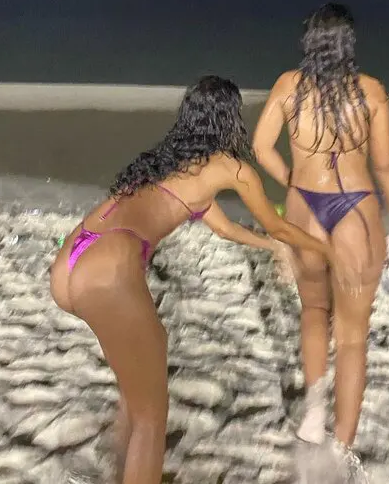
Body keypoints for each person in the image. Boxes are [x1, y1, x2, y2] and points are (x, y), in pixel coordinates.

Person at [49, 75, 360, 484]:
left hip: (72, 259)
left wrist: (270, 248)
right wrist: (329, 251)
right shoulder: (231, 167)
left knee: (141, 375)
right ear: (231, 119)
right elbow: (279, 225)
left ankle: (122, 468)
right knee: (152, 418)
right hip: (109, 269)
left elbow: (226, 229)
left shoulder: (166, 161)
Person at [252, 3, 389, 469]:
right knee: (353, 336)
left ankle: (314, 413)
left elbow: (260, 147)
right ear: (348, 45)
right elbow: (385, 165)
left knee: (314, 311)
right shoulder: (371, 92)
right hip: (355, 208)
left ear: (310, 42)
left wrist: (293, 183)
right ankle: (341, 446)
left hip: (304, 208)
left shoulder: (288, 86)